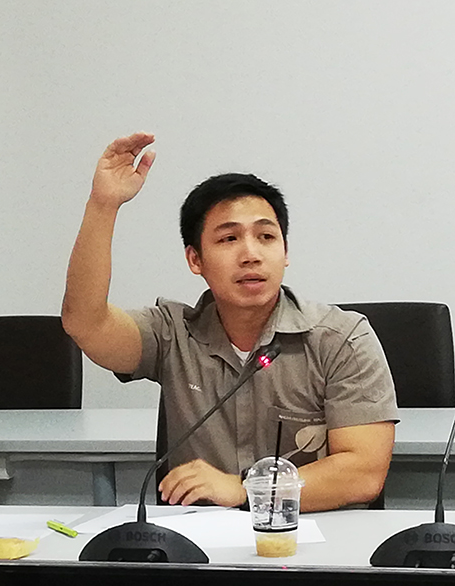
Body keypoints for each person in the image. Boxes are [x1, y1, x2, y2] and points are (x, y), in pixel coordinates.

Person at [61, 132, 397, 512]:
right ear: (195, 260)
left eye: (266, 236)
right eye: (229, 239)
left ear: (285, 252)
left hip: (311, 536)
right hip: (200, 540)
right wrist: (103, 204)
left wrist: (246, 489)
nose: (251, 254)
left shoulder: (341, 339)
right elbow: (85, 323)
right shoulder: (172, 335)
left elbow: (362, 472)